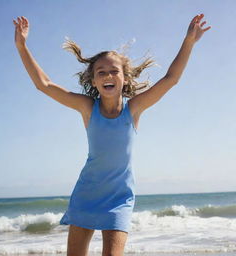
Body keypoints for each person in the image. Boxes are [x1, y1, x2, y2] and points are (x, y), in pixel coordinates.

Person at [13, 14, 211, 256]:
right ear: (93, 81)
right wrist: (22, 46)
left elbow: (171, 79)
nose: (107, 75)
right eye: (101, 72)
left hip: (119, 199)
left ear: (124, 78)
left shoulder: (134, 109)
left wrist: (189, 41)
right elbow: (44, 84)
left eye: (114, 71)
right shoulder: (87, 107)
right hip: (87, 194)